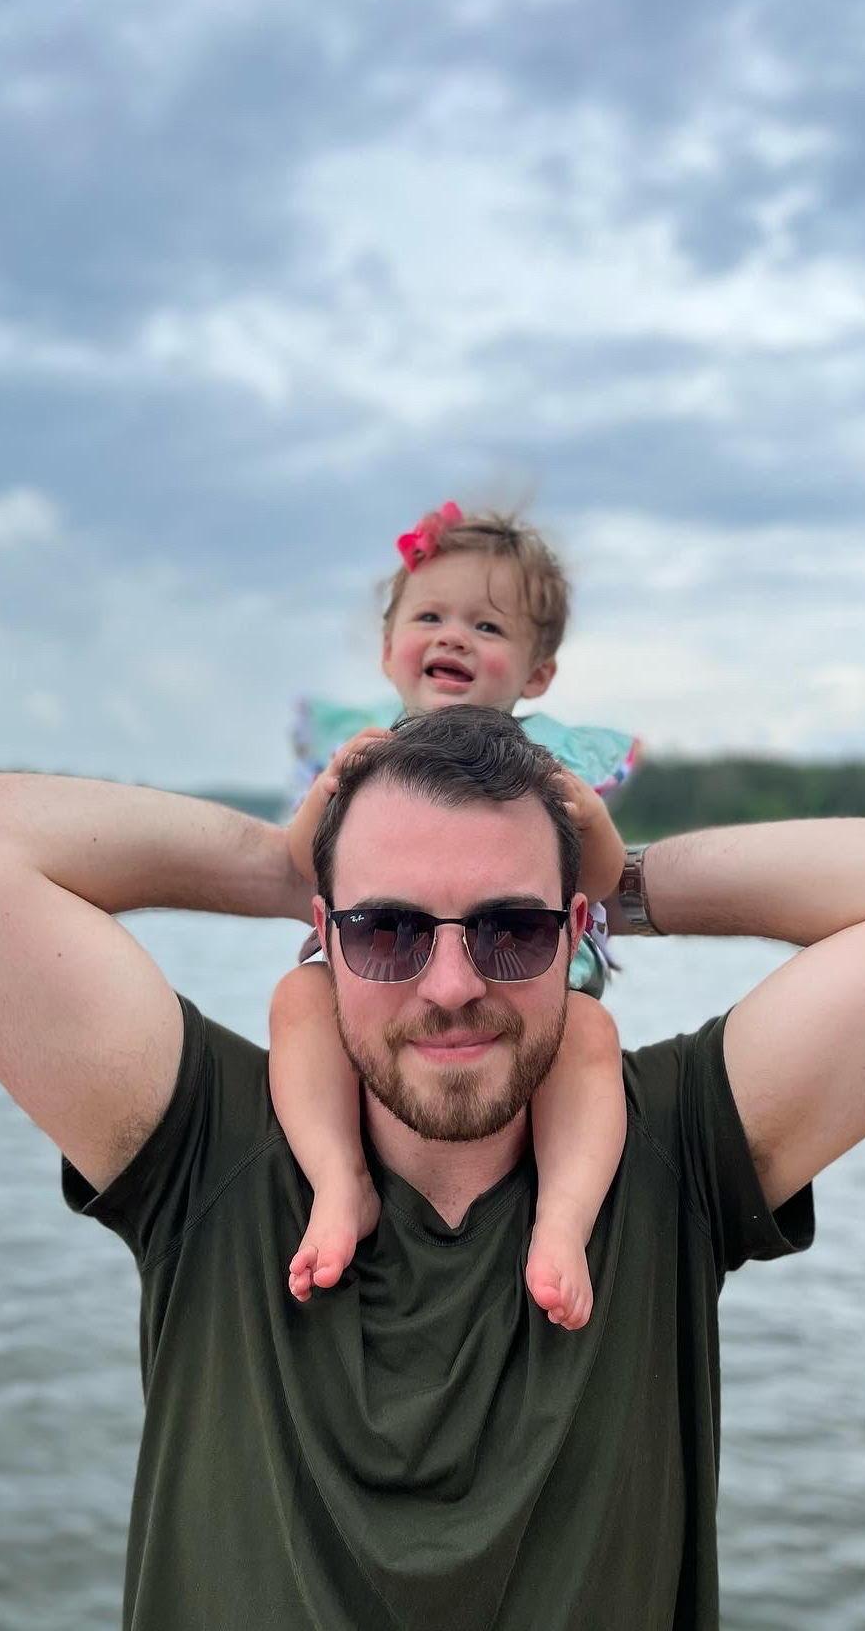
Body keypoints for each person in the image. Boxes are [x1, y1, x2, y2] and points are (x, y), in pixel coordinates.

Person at [0, 706, 865, 1630]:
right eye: (388, 932)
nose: (450, 985)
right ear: (325, 937)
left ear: (573, 933)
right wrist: (290, 862)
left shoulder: (668, 1157)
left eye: (511, 930)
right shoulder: (212, 1148)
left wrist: (616, 883)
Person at [277, 501, 639, 1330]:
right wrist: (328, 792)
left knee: (589, 1035)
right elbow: (302, 861)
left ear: (537, 674)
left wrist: (589, 818)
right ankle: (339, 1179)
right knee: (298, 1001)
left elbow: (603, 880)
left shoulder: (549, 766)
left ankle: (562, 1220)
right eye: (431, 617)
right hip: (375, 982)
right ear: (387, 650)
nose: (455, 638)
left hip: (534, 987)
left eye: (487, 625)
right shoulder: (364, 757)